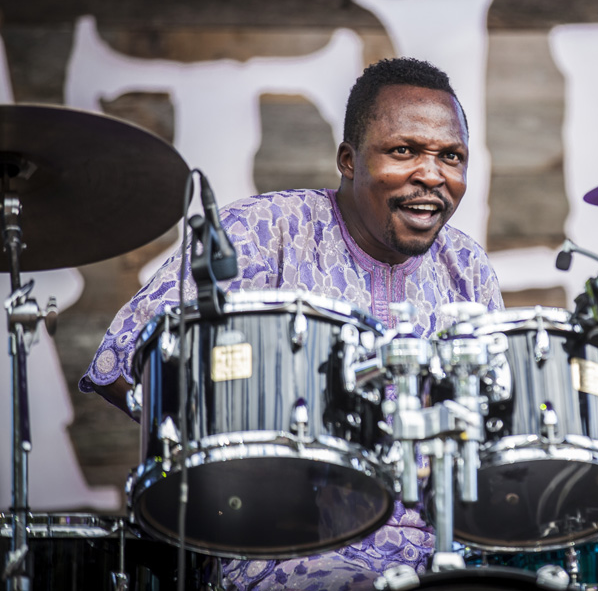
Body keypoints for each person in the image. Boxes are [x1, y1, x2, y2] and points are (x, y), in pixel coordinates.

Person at [80, 57, 504, 590]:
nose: (432, 174)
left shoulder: (466, 266)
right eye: (404, 151)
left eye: (451, 156)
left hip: (442, 551)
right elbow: (121, 362)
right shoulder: (263, 231)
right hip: (287, 550)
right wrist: (227, 474)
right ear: (348, 160)